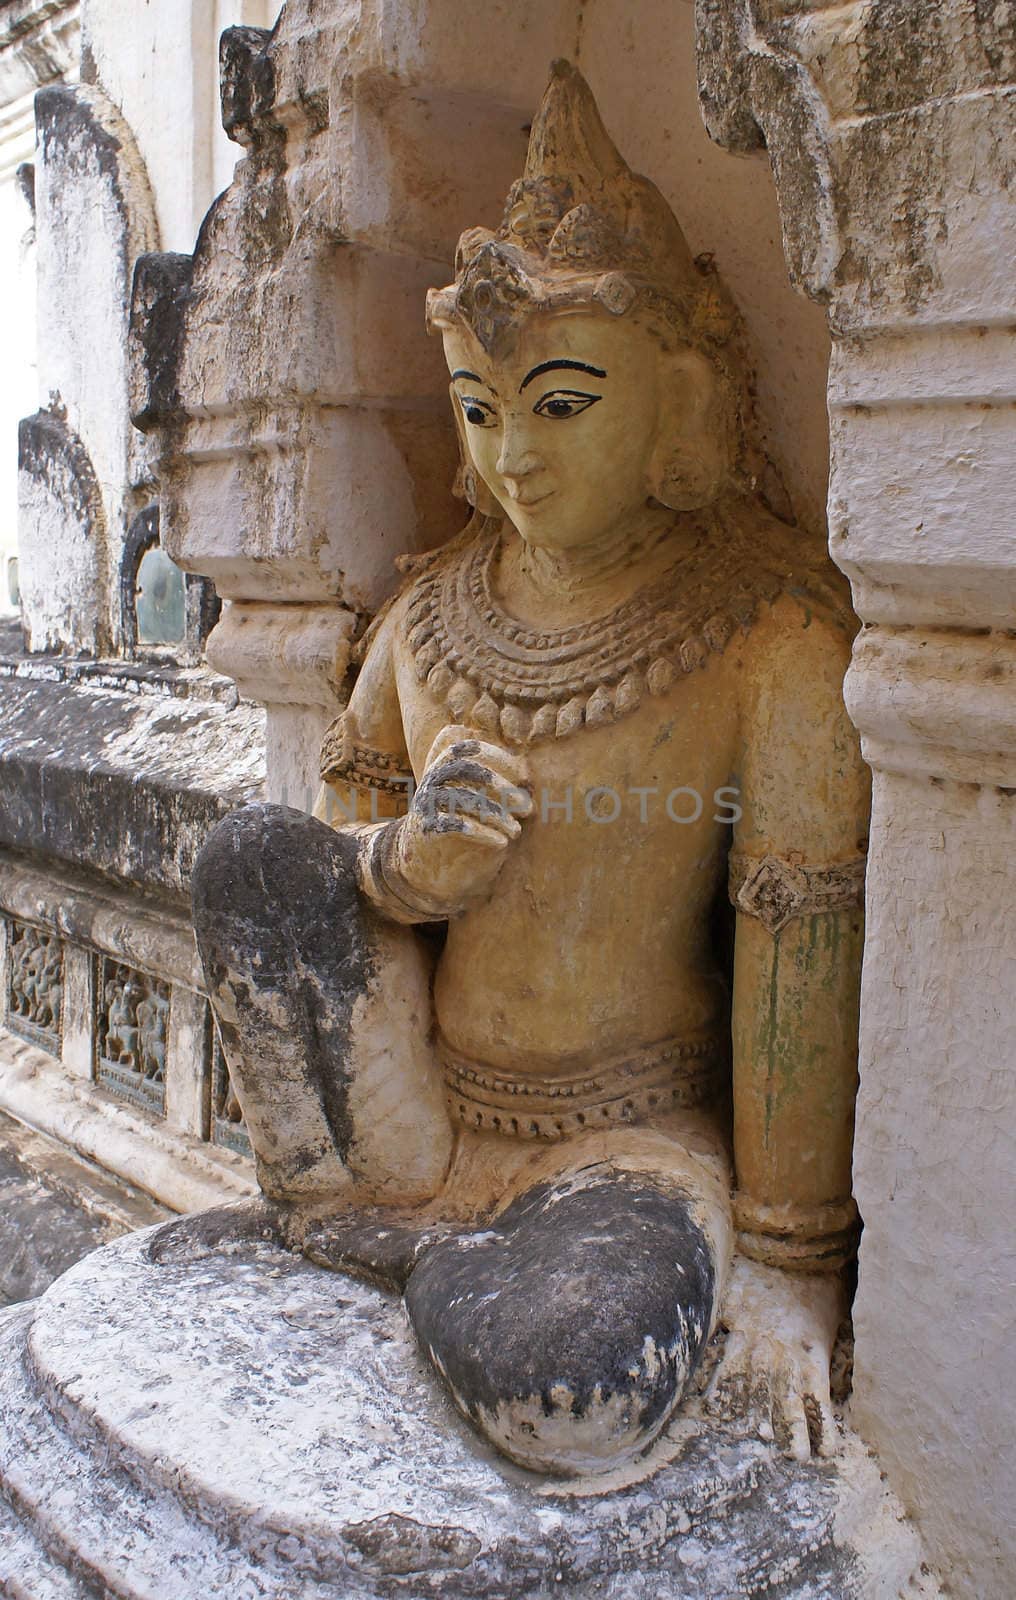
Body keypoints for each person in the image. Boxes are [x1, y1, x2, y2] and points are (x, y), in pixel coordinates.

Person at [159, 61, 869, 1479]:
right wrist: (402, 867)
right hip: (419, 1107)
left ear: (678, 398)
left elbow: (797, 955)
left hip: (619, 1142)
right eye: (480, 410)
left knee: (574, 1399)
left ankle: (418, 1267)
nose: (513, 458)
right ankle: (377, 1221)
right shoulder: (433, 614)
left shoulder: (766, 636)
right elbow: (336, 846)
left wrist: (789, 1269)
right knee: (248, 857)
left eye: (560, 403)